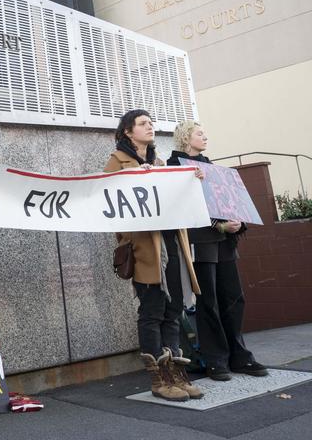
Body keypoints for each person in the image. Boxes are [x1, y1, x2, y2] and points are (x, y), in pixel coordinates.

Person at [105, 109, 203, 401]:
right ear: (127, 131)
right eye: (143, 124)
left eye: (151, 123)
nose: (150, 127)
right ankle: (159, 380)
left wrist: (191, 180)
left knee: (173, 311)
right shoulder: (117, 162)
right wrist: (134, 177)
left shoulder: (159, 163)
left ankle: (175, 373)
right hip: (146, 250)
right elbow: (108, 202)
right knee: (152, 311)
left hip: (172, 245)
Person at [168, 121, 268, 381]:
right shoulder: (172, 167)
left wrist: (236, 223)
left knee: (234, 298)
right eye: (200, 133)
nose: (205, 137)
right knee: (208, 302)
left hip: (224, 241)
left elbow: (225, 199)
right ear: (186, 137)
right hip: (199, 240)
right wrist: (218, 224)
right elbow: (181, 206)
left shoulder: (210, 166)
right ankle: (216, 361)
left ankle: (240, 356)